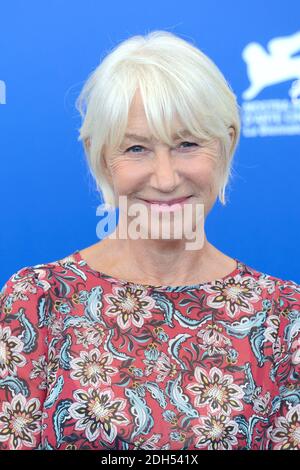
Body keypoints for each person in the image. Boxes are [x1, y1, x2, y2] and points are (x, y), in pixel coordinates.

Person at [0, 30, 299, 451]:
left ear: (227, 143)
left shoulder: (284, 319)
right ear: (101, 156)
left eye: (187, 144)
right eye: (137, 148)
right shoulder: (37, 301)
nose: (164, 178)